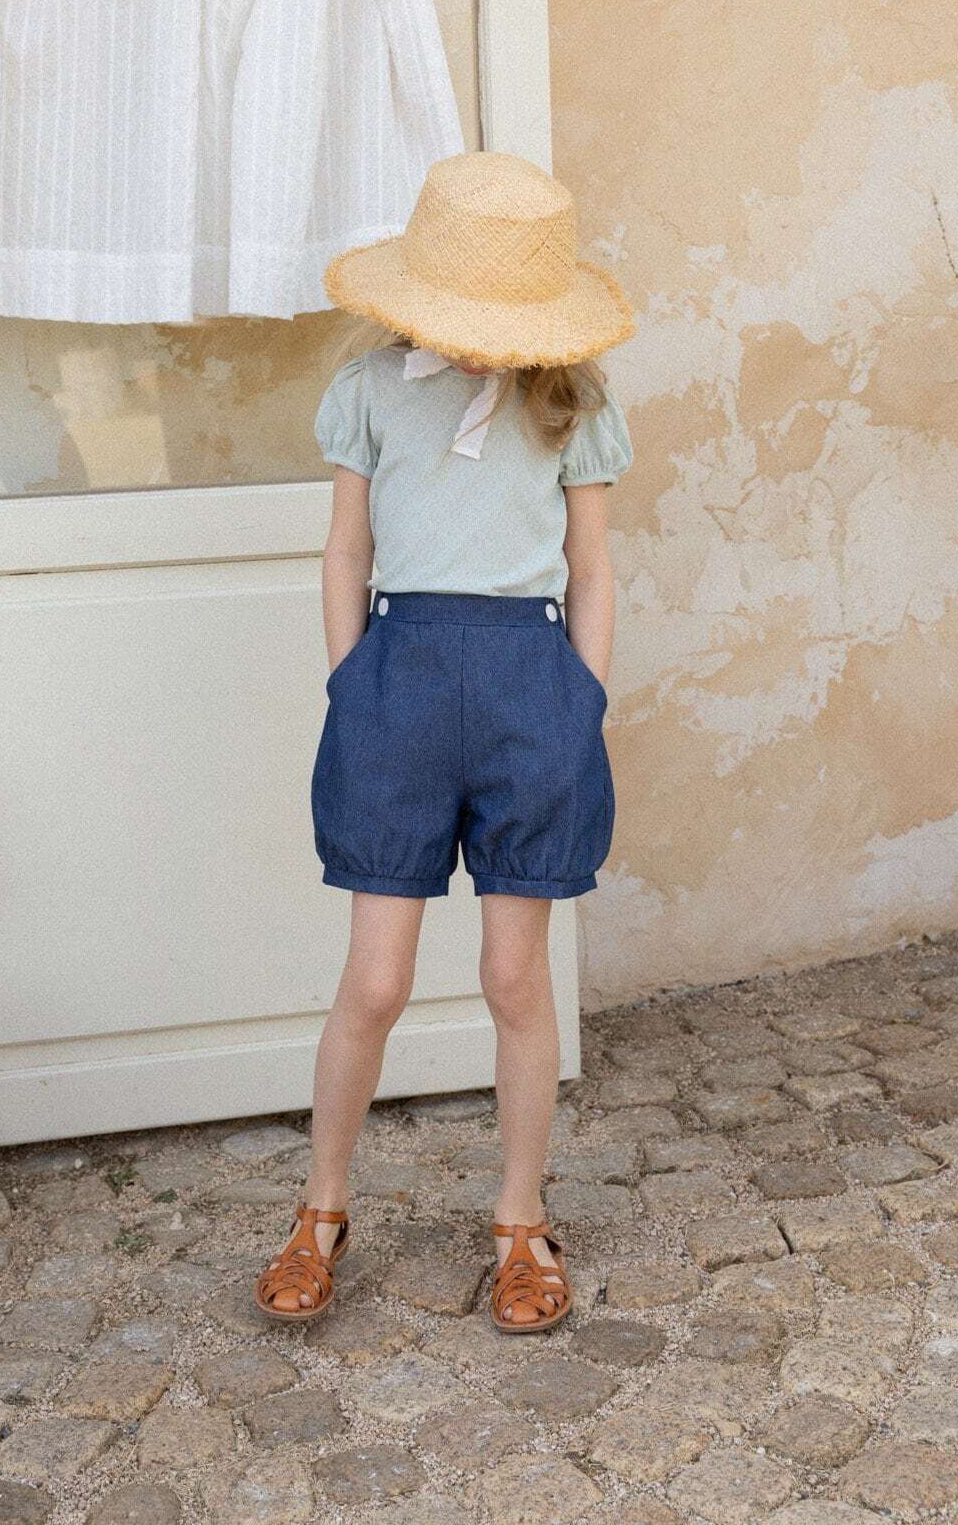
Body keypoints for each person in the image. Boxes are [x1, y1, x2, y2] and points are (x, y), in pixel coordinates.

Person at [254, 150, 637, 1334]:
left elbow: (589, 566)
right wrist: (350, 681)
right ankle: (320, 1209)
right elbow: (345, 547)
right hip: (398, 685)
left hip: (530, 688)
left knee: (514, 977)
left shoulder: (570, 401)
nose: (479, 345)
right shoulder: (370, 390)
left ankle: (520, 1220)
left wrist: (579, 699)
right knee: (374, 981)